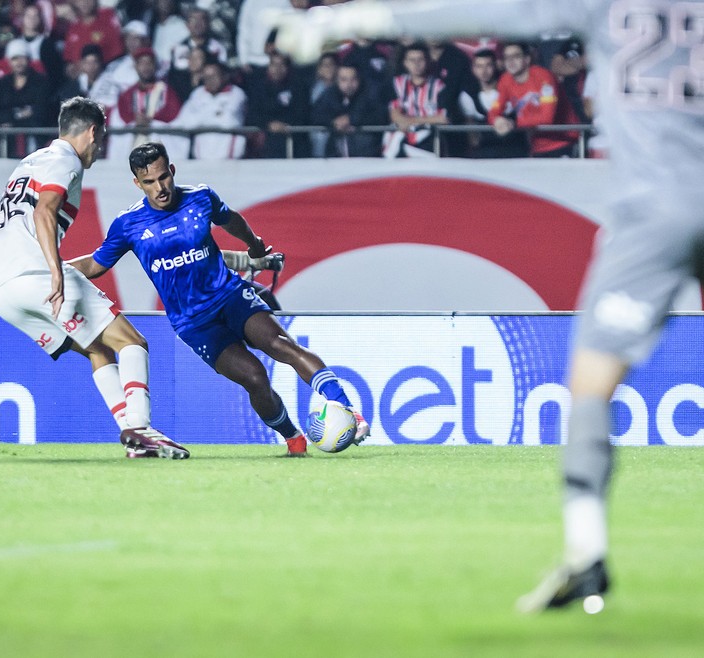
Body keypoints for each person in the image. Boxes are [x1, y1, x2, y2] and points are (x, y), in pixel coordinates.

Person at [272, 0, 704, 613]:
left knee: (592, 381)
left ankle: (586, 553)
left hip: (653, 213)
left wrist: (347, 21)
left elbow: (483, 11)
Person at [69, 141, 372, 457]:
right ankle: (293, 438)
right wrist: (50, 271)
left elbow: (232, 220)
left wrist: (255, 248)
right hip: (194, 324)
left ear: (172, 171)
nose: (159, 187)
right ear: (137, 183)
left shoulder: (200, 198)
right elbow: (94, 265)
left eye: (163, 177)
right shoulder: (127, 225)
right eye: (149, 182)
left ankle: (348, 410)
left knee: (282, 345)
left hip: (231, 296)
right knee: (255, 378)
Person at [0, 97, 188, 460]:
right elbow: (45, 212)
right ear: (93, 131)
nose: (100, 147)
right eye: (103, 137)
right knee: (133, 343)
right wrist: (55, 271)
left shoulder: (29, 162)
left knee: (97, 348)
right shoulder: (66, 161)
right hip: (37, 276)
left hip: (1, 289)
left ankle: (133, 437)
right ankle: (142, 429)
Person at [487, 41, 578, 158]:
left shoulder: (544, 77)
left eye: (516, 56)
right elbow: (494, 112)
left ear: (527, 59)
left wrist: (512, 123)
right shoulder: (505, 80)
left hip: (564, 142)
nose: (510, 61)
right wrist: (497, 120)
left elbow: (547, 118)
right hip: (536, 146)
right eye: (507, 57)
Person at [383, 41, 450, 157]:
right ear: (405, 63)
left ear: (428, 61)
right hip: (403, 136)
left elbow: (443, 119)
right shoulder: (397, 84)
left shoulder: (439, 86)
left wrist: (409, 120)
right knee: (396, 138)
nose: (416, 64)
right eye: (412, 60)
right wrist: (427, 119)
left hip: (429, 139)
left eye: (420, 60)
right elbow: (394, 115)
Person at [173, 59, 247, 159]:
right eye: (207, 77)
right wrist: (214, 114)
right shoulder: (197, 94)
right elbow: (185, 122)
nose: (210, 80)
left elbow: (229, 121)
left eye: (214, 76)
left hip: (229, 159)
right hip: (202, 158)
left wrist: (200, 115)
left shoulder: (236, 94)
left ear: (224, 76)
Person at [310, 62, 384, 157]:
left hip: (366, 155)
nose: (349, 84)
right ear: (337, 80)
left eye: (353, 79)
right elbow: (315, 115)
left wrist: (351, 120)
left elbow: (380, 116)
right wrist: (334, 122)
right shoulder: (329, 95)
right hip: (335, 155)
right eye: (344, 80)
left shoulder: (370, 94)